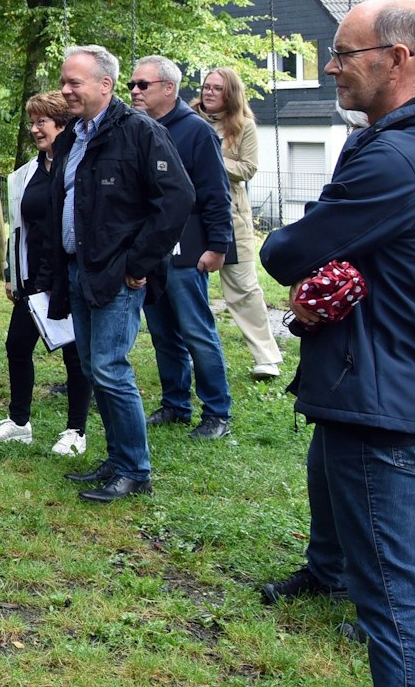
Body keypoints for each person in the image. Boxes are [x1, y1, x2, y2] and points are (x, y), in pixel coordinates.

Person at [257, 0, 415, 687]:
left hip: (386, 402)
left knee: (393, 605)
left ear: (397, 59)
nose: (330, 66)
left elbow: (285, 251)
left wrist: (322, 252)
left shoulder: (397, 157)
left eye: (344, 53)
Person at [45, 45, 192, 503]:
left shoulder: (140, 133)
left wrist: (138, 264)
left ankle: (135, 470)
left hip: (116, 273)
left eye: (75, 83)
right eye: (64, 82)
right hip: (79, 268)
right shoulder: (74, 136)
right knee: (92, 367)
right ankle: (116, 459)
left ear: (105, 85)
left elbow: (177, 199)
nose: (65, 90)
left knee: (110, 368)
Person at [0, 92, 92, 456]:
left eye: (41, 122)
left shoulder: (78, 165)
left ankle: (76, 430)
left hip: (67, 276)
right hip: (32, 277)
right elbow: (17, 228)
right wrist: (12, 273)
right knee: (16, 345)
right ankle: (19, 422)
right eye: (32, 122)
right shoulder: (28, 173)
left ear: (62, 124)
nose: (34, 129)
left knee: (74, 355)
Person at [129, 56, 235, 441]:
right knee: (161, 331)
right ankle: (175, 404)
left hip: (187, 249)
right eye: (132, 86)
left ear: (169, 88)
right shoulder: (138, 128)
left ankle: (217, 412)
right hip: (150, 250)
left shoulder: (196, 132)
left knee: (196, 330)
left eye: (144, 85)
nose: (135, 92)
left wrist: (218, 245)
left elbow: (216, 193)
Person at [193, 66, 284, 379]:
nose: (209, 92)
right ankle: (195, 352)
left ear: (230, 93)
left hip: (231, 217)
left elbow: (247, 168)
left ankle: (267, 357)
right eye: (206, 87)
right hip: (190, 216)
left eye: (217, 88)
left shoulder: (244, 125)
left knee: (244, 289)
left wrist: (210, 155)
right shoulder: (189, 119)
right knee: (188, 289)